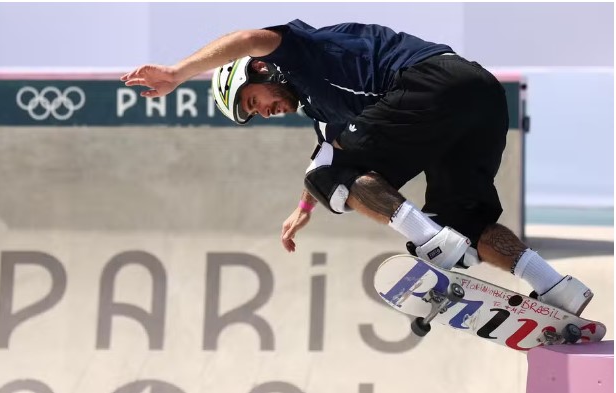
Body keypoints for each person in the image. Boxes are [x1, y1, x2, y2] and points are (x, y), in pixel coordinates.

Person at [121, 19, 594, 316]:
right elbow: (329, 158)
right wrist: (306, 205)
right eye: (252, 115)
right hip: (480, 94)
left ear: (258, 73)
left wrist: (178, 73)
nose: (262, 111)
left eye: (252, 101)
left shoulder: (293, 52)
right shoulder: (323, 111)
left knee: (332, 175)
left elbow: (246, 38)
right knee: (466, 219)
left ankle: (434, 243)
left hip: (429, 82)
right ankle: (554, 286)